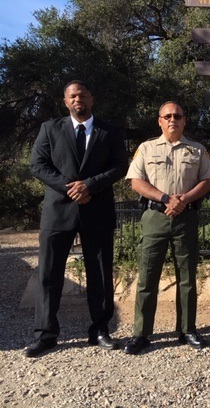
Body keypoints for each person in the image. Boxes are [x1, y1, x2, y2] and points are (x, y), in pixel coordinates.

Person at [25, 80, 128, 357]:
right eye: (72, 96)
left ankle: (100, 330)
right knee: (49, 274)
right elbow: (37, 164)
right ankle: (45, 334)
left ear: (91, 99)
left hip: (97, 210)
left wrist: (89, 185)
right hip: (58, 211)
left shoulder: (111, 131)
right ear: (65, 101)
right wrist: (71, 187)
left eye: (82, 94)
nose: (77, 99)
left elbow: (120, 166)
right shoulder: (50, 129)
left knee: (101, 274)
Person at [123, 102, 210, 354]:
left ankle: (187, 329)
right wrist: (166, 199)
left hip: (186, 217)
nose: (172, 119)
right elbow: (136, 181)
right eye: (167, 116)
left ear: (184, 121)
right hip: (155, 217)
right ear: (160, 121)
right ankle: (141, 334)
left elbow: (208, 180)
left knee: (187, 276)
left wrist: (183, 200)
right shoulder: (146, 148)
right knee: (148, 276)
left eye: (177, 116)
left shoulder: (197, 150)